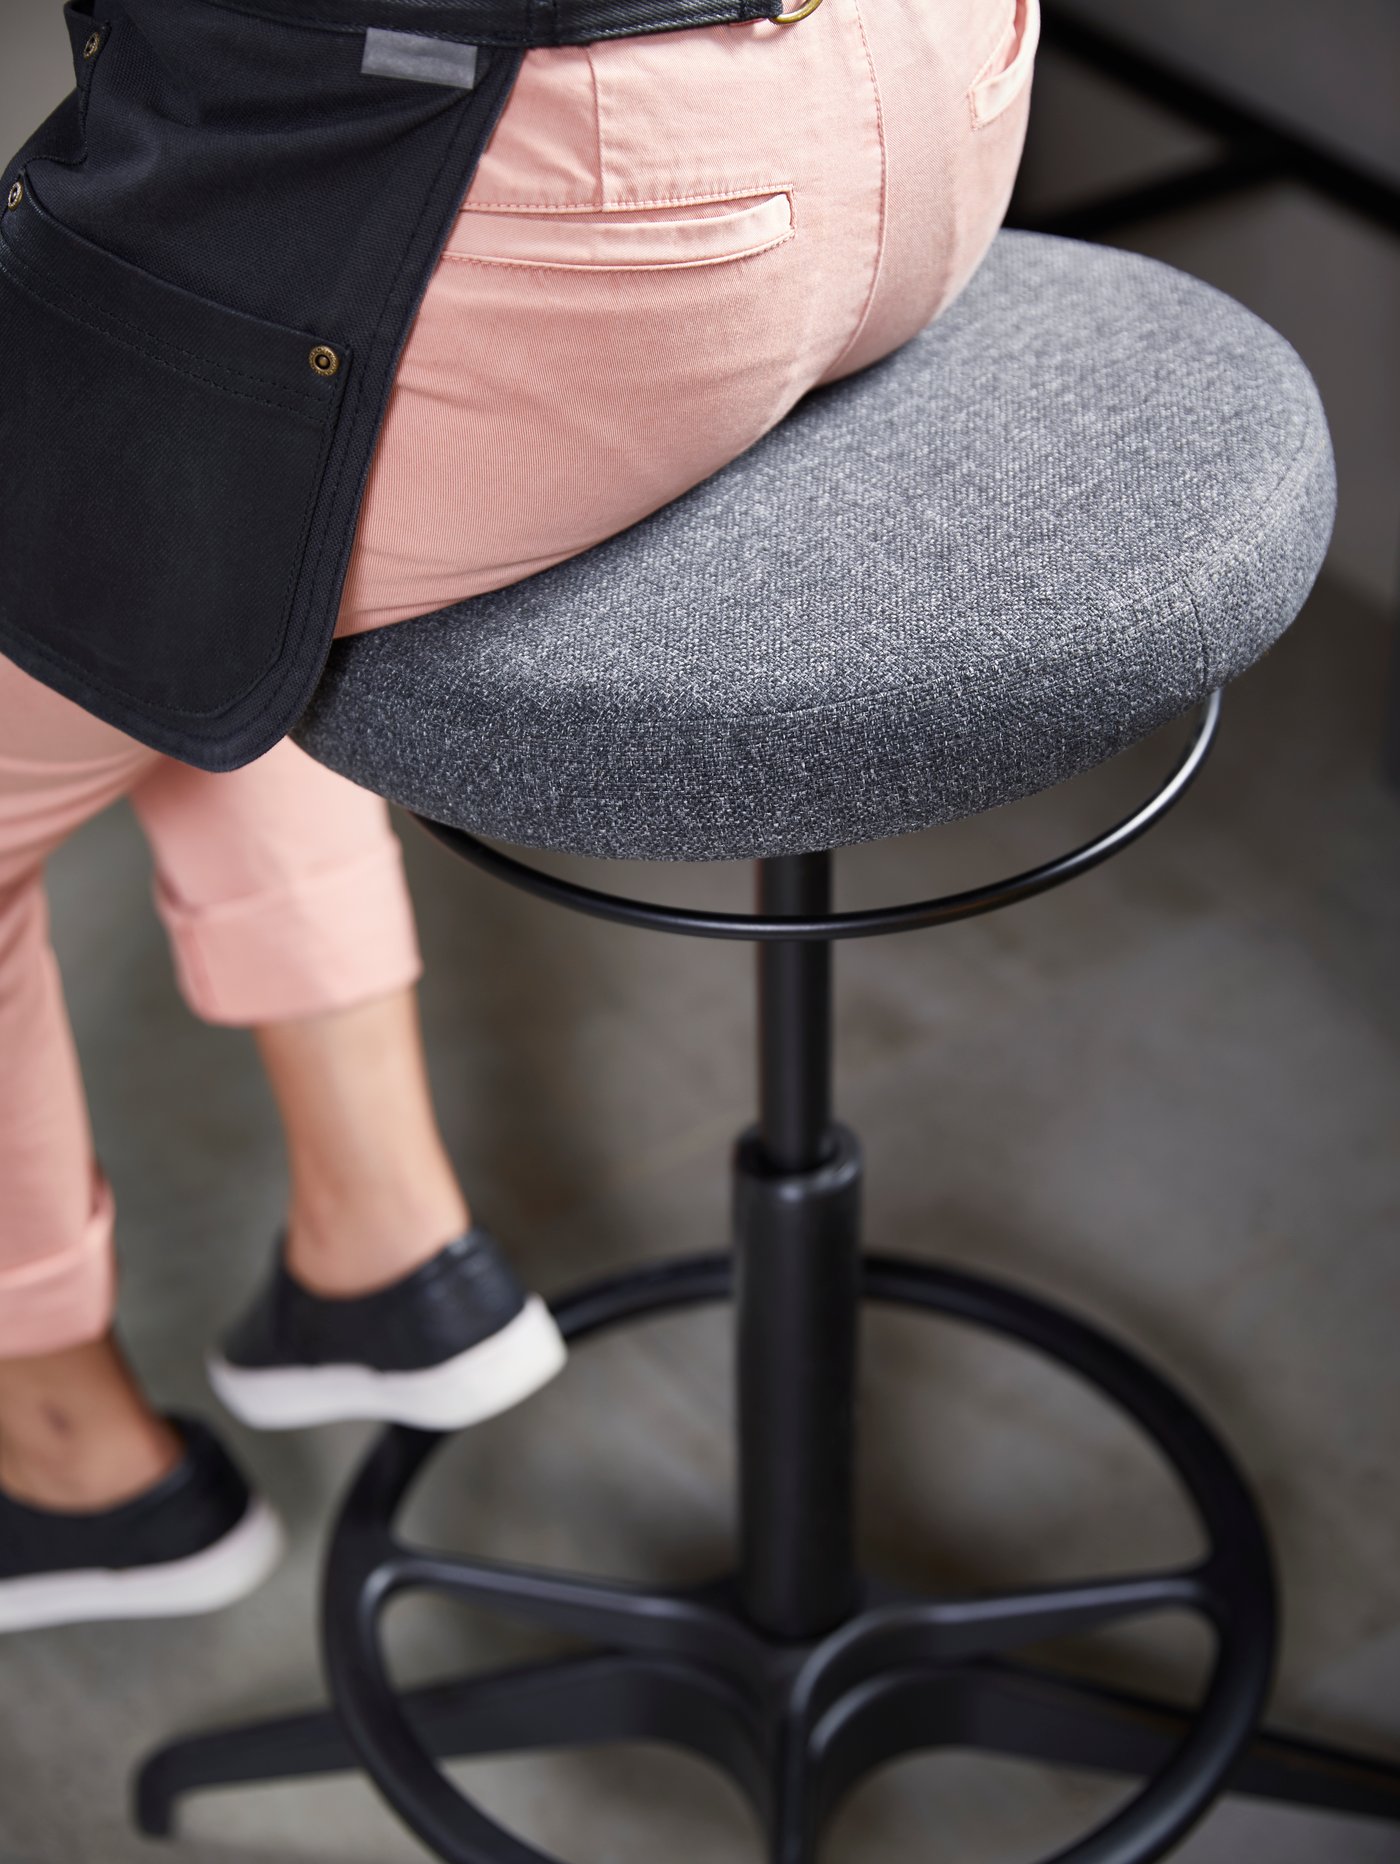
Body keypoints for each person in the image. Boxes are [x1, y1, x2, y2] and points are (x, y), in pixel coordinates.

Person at [0, 0, 1039, 1631]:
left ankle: (63, 1454)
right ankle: (383, 1237)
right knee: (146, 500)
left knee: (149, 436)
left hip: (602, 217)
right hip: (939, 90)